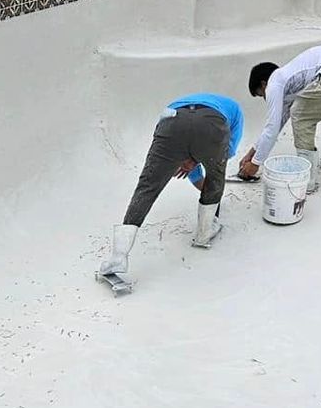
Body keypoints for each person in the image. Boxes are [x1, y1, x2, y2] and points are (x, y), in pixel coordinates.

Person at [98, 92, 243, 290]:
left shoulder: (182, 101)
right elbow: (228, 151)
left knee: (147, 187)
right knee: (216, 179)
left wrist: (188, 160)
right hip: (212, 124)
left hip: (172, 119)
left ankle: (117, 258)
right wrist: (199, 165)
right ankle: (204, 233)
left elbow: (168, 137)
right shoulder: (234, 109)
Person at [236, 45, 321, 190]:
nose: (265, 98)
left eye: (261, 94)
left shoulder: (274, 82)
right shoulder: (291, 81)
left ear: (264, 84)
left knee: (299, 114)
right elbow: (275, 127)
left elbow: (271, 128)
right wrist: (251, 155)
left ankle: (307, 179)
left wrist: (255, 164)